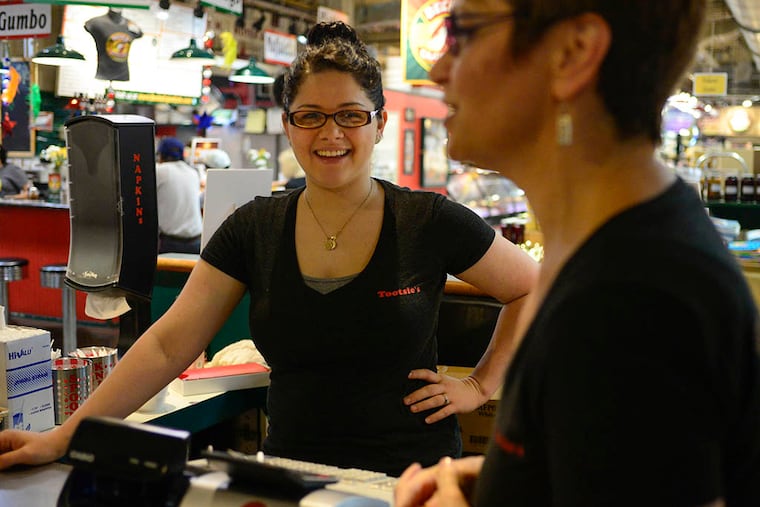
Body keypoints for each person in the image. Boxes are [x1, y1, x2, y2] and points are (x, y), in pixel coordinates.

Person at [0, 22, 538, 477]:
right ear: (288, 125)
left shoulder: (429, 219)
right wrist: (65, 436)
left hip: (411, 481)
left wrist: (479, 384)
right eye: (310, 116)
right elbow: (167, 345)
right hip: (291, 476)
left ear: (379, 123)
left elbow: (531, 287)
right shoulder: (253, 229)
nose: (331, 133)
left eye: (350, 114)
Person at [395, 1, 760, 506]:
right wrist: (515, 477)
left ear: (573, 53)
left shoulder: (629, 300)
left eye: (462, 30)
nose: (437, 69)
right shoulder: (613, 250)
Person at [155, 137, 203, 254]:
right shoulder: (193, 172)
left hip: (171, 244)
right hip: (197, 241)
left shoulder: (159, 171)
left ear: (161, 155)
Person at [84, 8, 143, 81]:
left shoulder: (130, 26)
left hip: (123, 73)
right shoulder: (96, 23)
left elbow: (140, 34)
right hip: (103, 72)